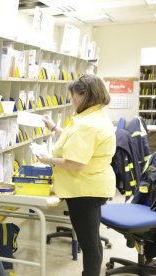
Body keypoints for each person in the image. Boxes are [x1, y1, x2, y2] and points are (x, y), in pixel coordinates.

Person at [37, 74, 116, 276]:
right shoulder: (93, 116)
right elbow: (75, 141)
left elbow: (76, 162)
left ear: (84, 95)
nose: (71, 99)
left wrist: (49, 160)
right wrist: (54, 128)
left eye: (73, 95)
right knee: (92, 238)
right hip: (94, 185)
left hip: (84, 189)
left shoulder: (87, 124)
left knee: (88, 243)